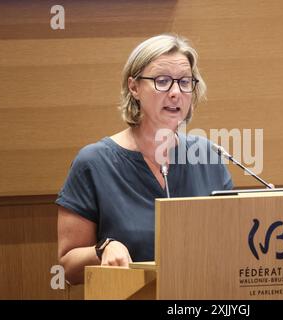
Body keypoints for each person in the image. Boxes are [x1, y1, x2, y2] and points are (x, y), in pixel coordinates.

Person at [56, 34, 233, 285]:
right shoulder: (94, 162)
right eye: (162, 81)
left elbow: (232, 247)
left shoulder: (208, 157)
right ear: (134, 87)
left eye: (184, 82)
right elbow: (67, 266)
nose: (175, 93)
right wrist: (102, 249)